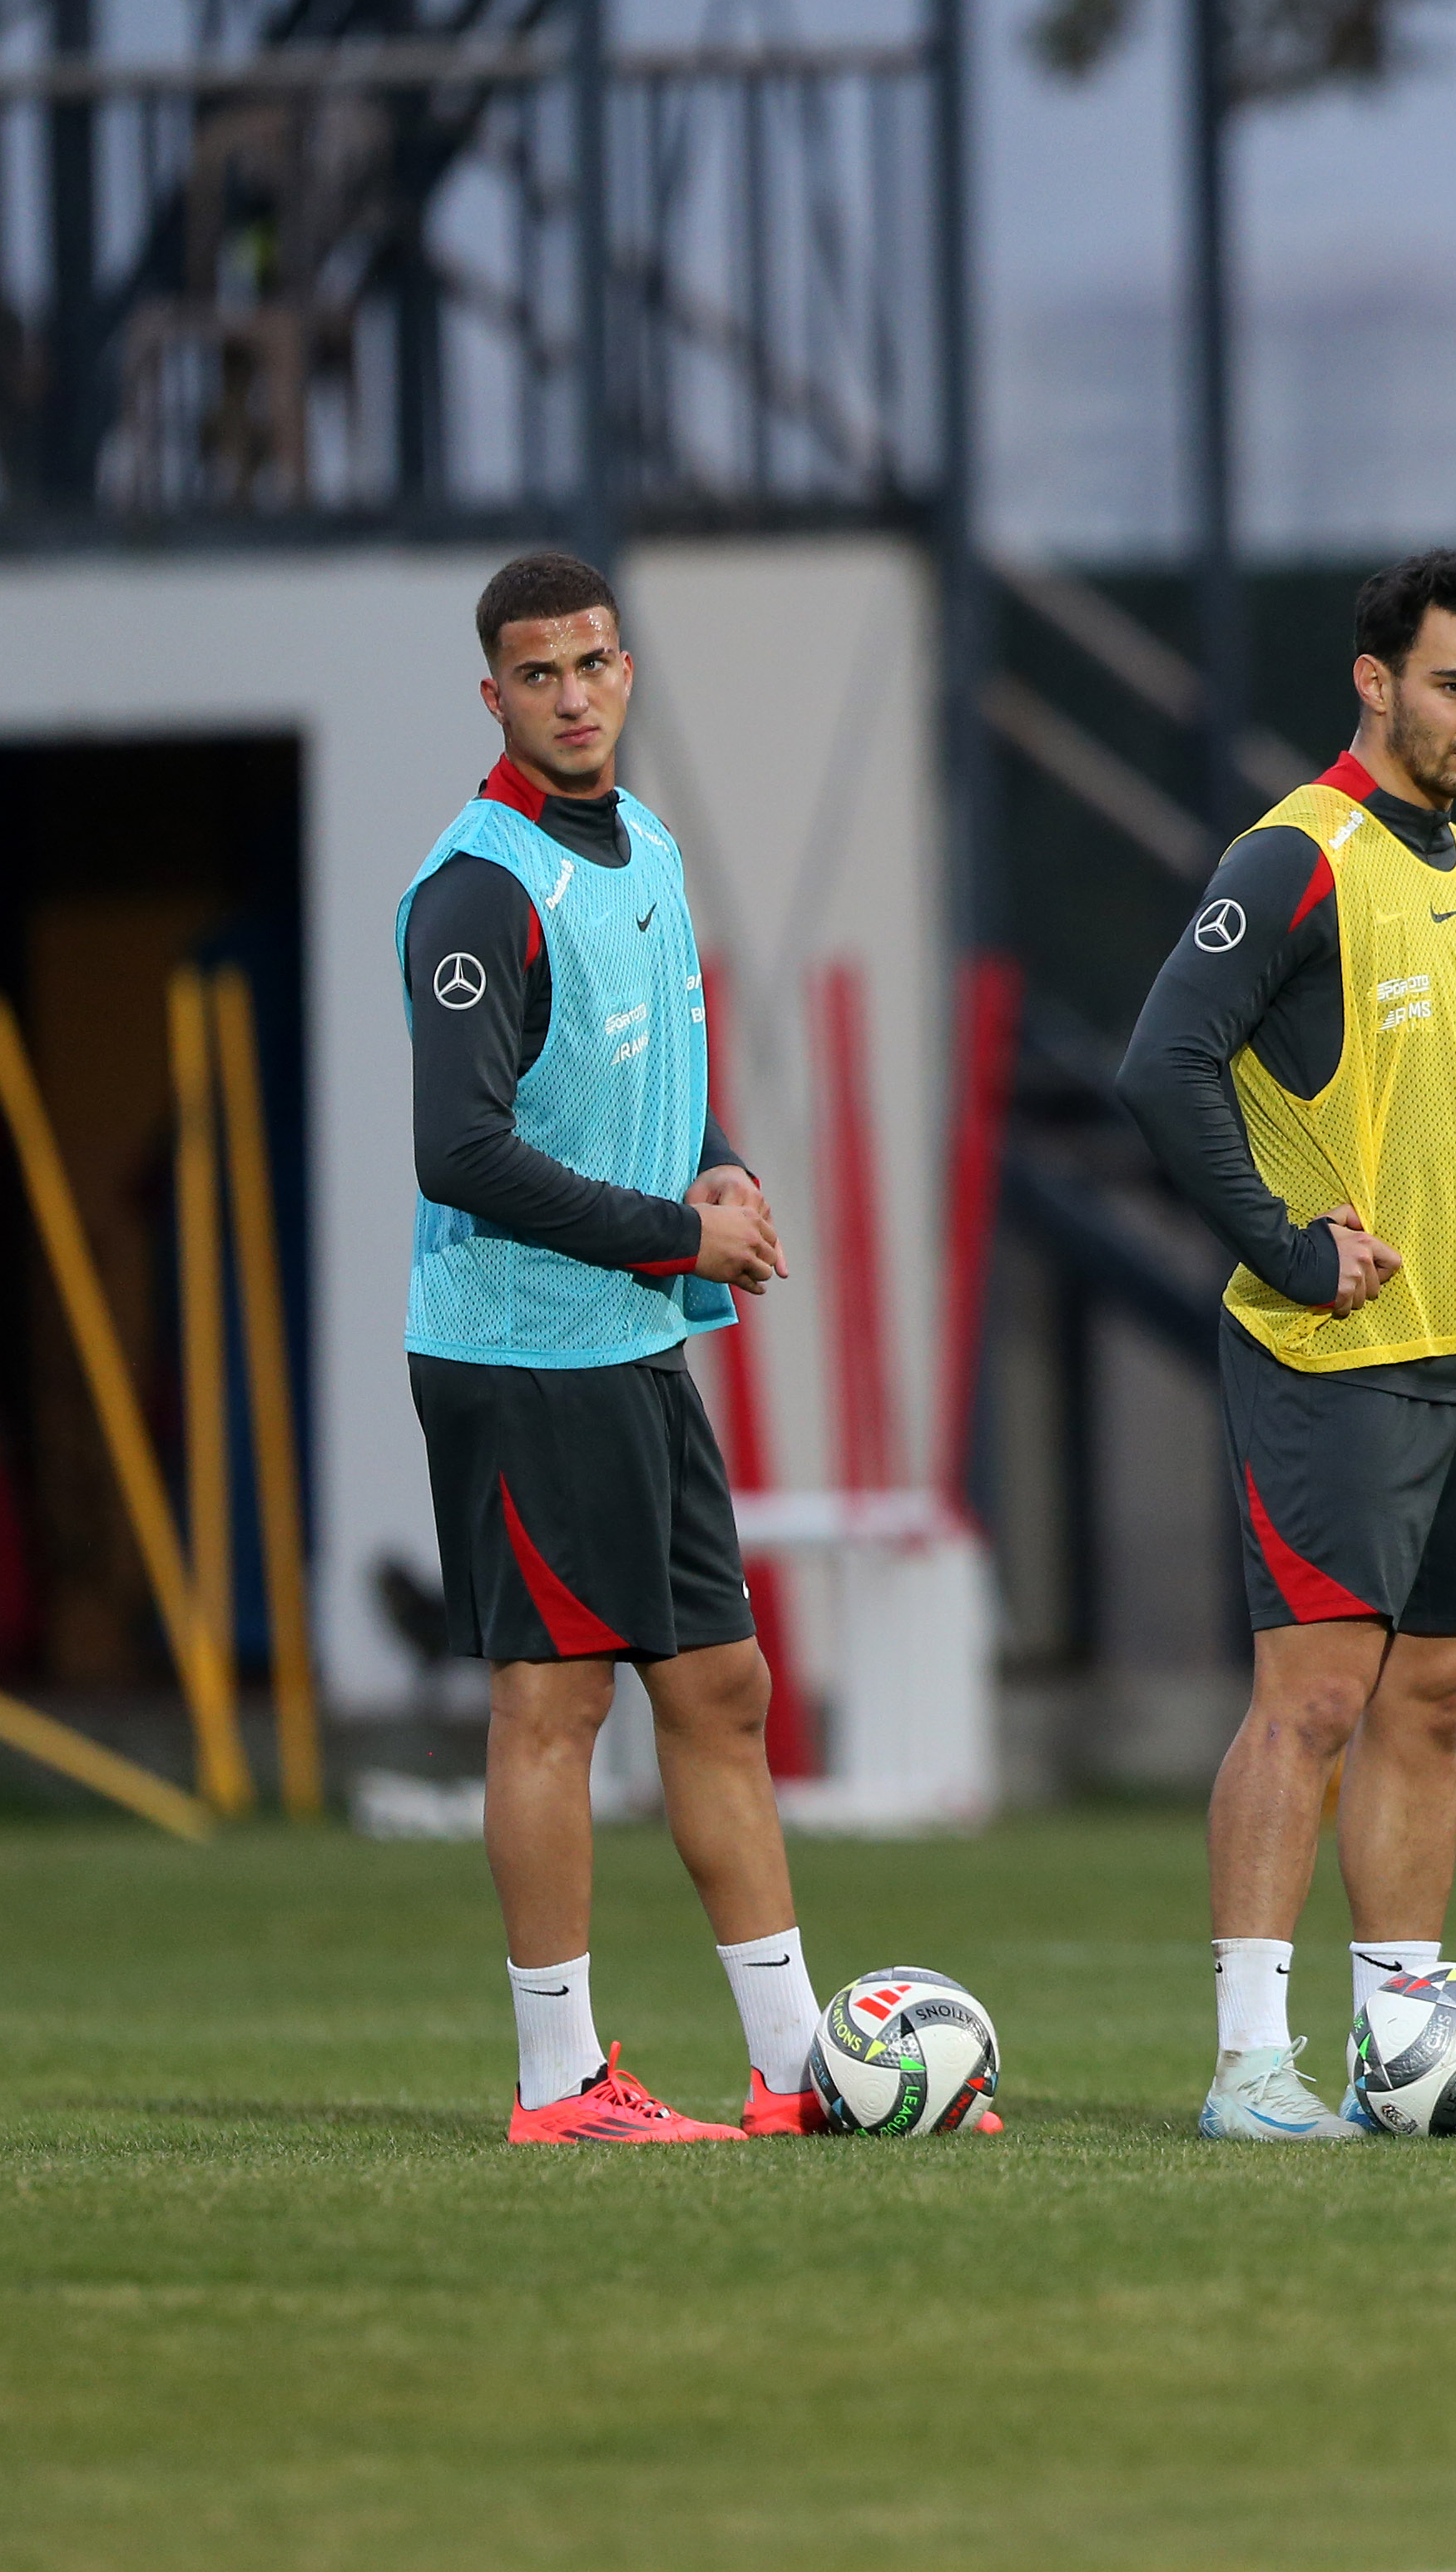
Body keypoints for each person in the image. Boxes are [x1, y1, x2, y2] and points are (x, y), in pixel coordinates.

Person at [404, 550, 972, 2140]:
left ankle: (796, 2069)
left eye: (594, 663)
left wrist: (714, 1161)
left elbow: (645, 1069)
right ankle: (560, 2083)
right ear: (495, 694)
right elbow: (461, 1153)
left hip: (634, 1339)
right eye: (539, 674)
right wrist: (679, 1235)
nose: (574, 696)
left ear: (626, 668)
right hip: (520, 1352)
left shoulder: (641, 841)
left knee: (722, 1687)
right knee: (553, 1707)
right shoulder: (477, 887)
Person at [1117, 549, 1456, 2139]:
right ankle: (1250, 2064)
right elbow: (1164, 1065)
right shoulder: (1294, 852)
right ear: (1374, 682)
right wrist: (1289, 1248)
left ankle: (1403, 2064)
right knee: (1310, 1702)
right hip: (1335, 1357)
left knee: (1435, 1701)